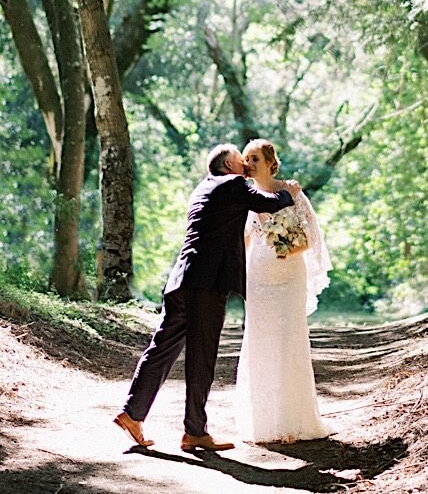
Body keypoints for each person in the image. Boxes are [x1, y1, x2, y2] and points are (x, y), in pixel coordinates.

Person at [115, 144, 300, 451]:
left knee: (161, 348)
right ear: (228, 165)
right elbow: (266, 202)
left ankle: (132, 413)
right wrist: (289, 192)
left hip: (181, 280)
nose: (246, 166)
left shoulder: (203, 188)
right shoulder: (232, 183)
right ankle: (195, 431)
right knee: (202, 356)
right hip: (206, 283)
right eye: (242, 162)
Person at [234, 140, 330, 444]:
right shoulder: (245, 198)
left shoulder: (291, 192)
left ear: (270, 162)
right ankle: (263, 423)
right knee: (260, 342)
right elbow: (243, 241)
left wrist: (288, 249)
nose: (249, 164)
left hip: (289, 275)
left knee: (289, 341)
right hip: (259, 277)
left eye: (255, 158)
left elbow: (310, 237)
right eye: (246, 159)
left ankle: (294, 422)